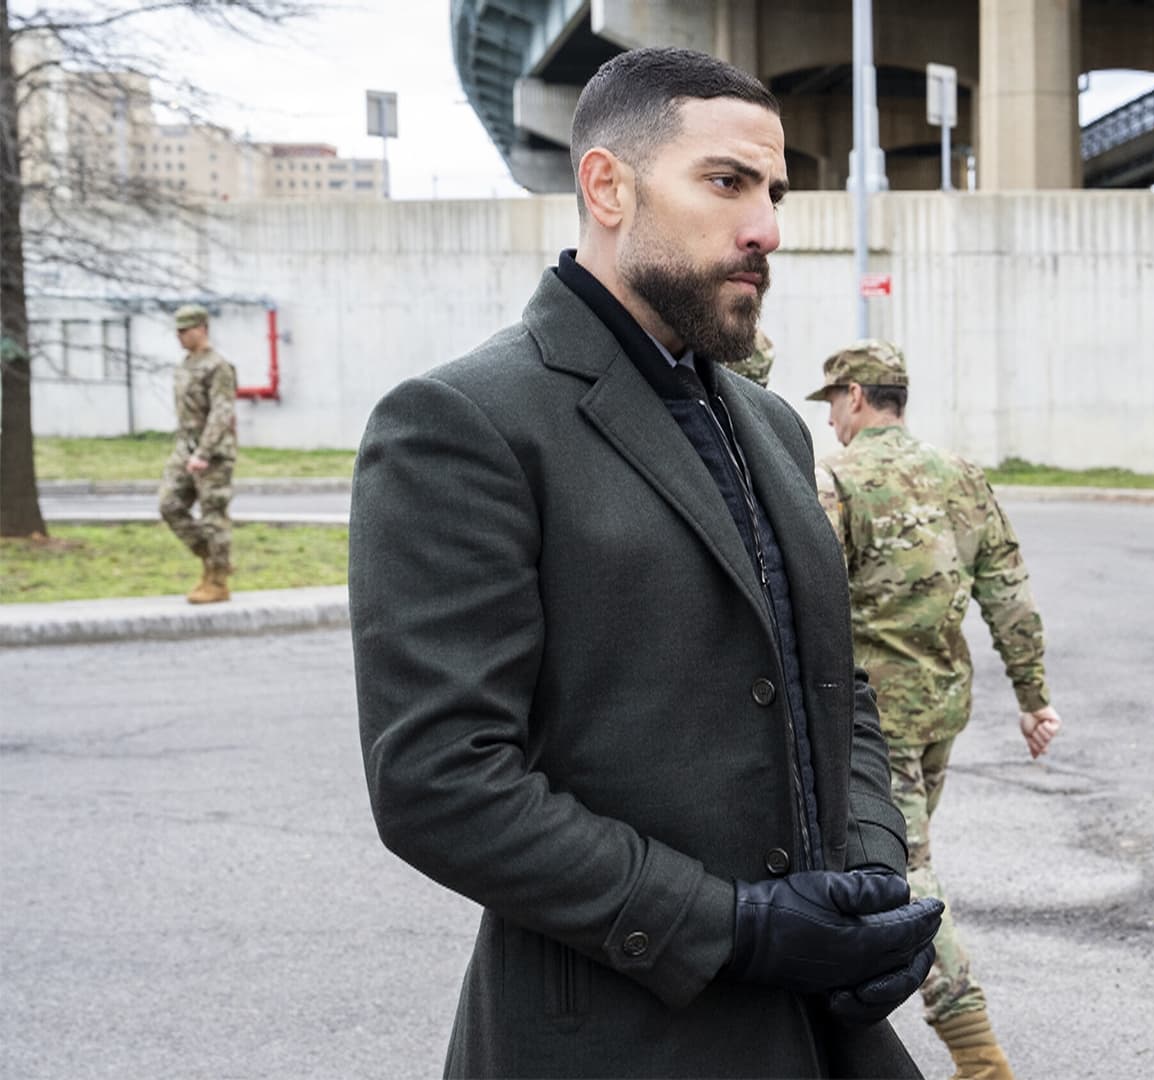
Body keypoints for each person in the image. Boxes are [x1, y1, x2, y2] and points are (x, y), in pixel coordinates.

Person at [349, 47, 943, 1079]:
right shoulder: (464, 422)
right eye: (726, 182)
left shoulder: (771, 426)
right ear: (607, 187)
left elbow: (833, 689)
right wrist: (731, 929)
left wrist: (871, 878)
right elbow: (439, 781)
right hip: (616, 1039)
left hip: (818, 1030)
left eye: (773, 193)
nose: (766, 228)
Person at [809, 341, 1062, 1080]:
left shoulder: (837, 480)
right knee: (894, 865)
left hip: (870, 724)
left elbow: (811, 603)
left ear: (856, 397)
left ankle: (979, 1056)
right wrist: (1034, 699)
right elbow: (1009, 596)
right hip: (941, 713)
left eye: (832, 403)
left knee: (906, 879)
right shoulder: (962, 476)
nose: (830, 420)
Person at [159, 303, 237, 605]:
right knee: (169, 504)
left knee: (213, 515)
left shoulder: (218, 366)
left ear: (202, 328)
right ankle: (212, 556)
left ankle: (217, 581)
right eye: (177, 331)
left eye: (185, 330)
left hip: (212, 453)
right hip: (185, 448)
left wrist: (204, 452)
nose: (179, 336)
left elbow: (221, 412)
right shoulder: (185, 365)